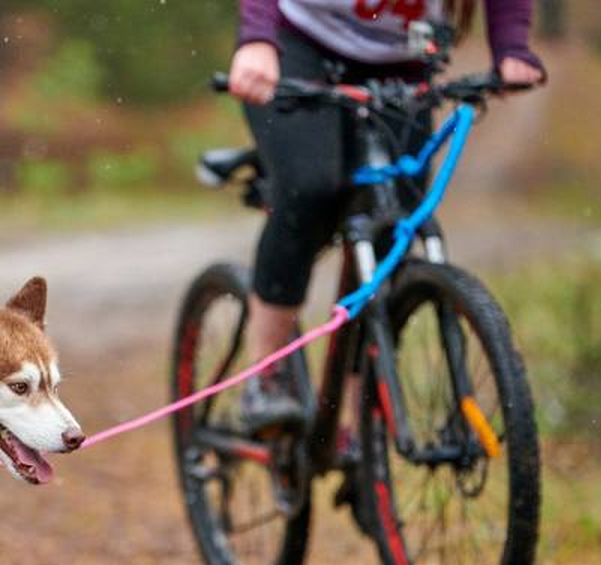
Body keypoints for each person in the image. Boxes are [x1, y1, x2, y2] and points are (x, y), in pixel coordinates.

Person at [228, 0, 545, 431]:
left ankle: (362, 426)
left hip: (401, 63)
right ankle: (266, 376)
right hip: (298, 42)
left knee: (395, 223)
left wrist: (511, 48)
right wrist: (258, 39)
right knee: (310, 191)